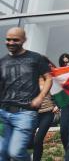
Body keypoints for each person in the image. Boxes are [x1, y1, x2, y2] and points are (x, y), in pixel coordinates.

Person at [0, 27, 52, 161]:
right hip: (3, 113)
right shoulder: (2, 61)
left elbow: (49, 78)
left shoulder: (35, 58)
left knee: (16, 152)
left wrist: (40, 97)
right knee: (2, 153)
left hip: (25, 113)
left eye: (15, 40)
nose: (11, 42)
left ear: (24, 40)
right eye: (8, 39)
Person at [31, 59, 60, 161]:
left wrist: (58, 106)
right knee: (29, 139)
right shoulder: (32, 78)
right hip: (33, 113)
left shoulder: (51, 79)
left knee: (38, 140)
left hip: (48, 112)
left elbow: (60, 94)